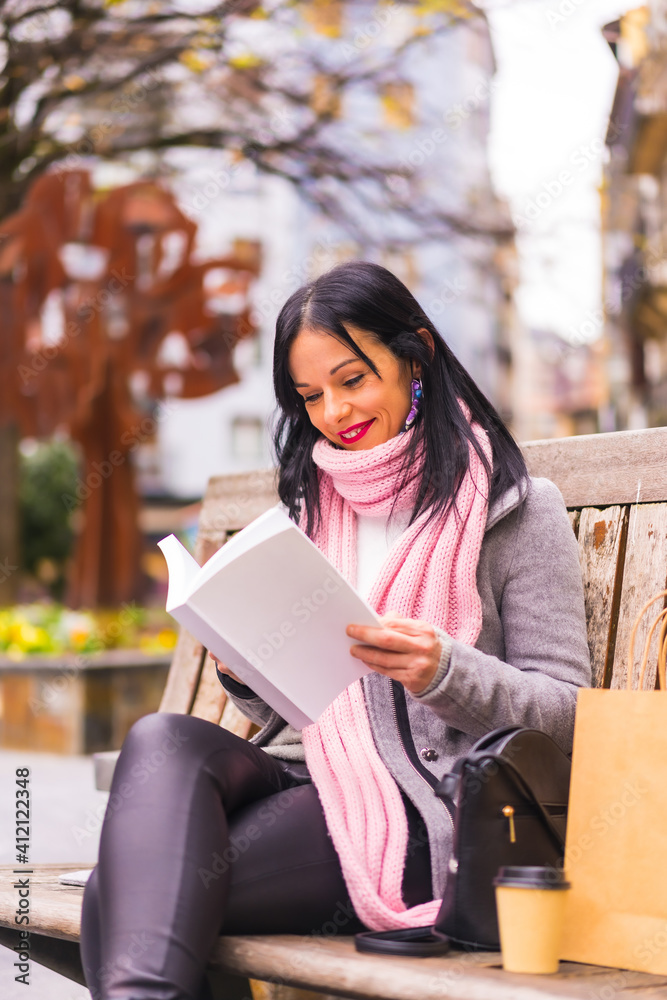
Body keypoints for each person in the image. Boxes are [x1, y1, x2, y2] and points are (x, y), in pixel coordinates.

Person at [80, 260, 591, 1000]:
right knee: (161, 740)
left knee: (117, 896)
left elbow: (569, 716)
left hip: (420, 800)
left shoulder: (514, 508)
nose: (332, 413)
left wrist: (443, 670)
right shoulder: (312, 509)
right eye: (309, 395)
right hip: (305, 768)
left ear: (415, 355)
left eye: (352, 380)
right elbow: (305, 700)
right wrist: (245, 664)